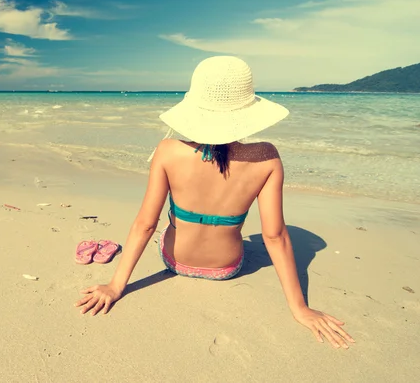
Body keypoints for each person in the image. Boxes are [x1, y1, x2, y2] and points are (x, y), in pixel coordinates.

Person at [75, 56, 355, 349]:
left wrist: (115, 286)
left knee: (168, 231)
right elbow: (275, 236)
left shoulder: (168, 151)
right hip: (227, 268)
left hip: (174, 262)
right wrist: (300, 308)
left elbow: (146, 224)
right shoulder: (266, 157)